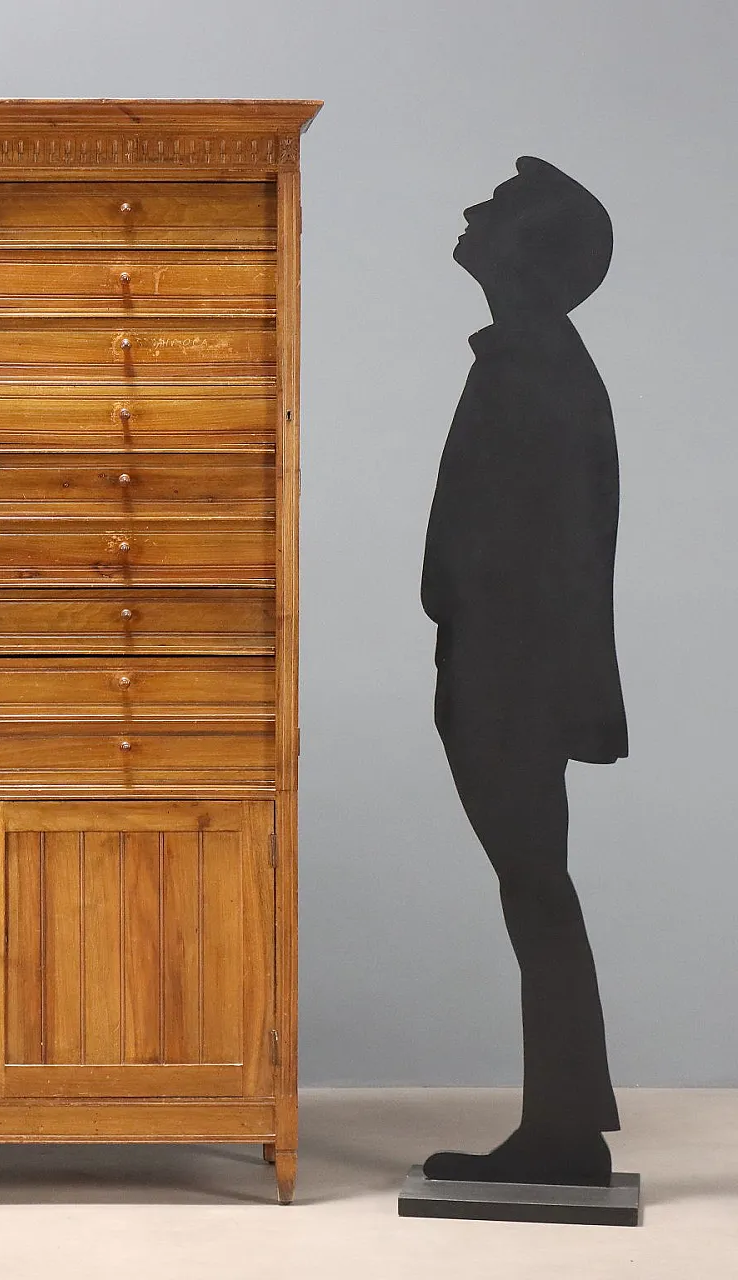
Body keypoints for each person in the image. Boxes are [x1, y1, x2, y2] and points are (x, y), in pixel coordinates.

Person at [420, 156, 627, 1185]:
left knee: (534, 886)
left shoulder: (533, 367)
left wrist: (492, 663)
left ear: (528, 252)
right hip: (507, 666)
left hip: (512, 672)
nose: (471, 211)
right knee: (534, 885)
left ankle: (562, 1129)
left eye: (496, 208)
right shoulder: (533, 359)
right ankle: (564, 1119)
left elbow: (546, 551)